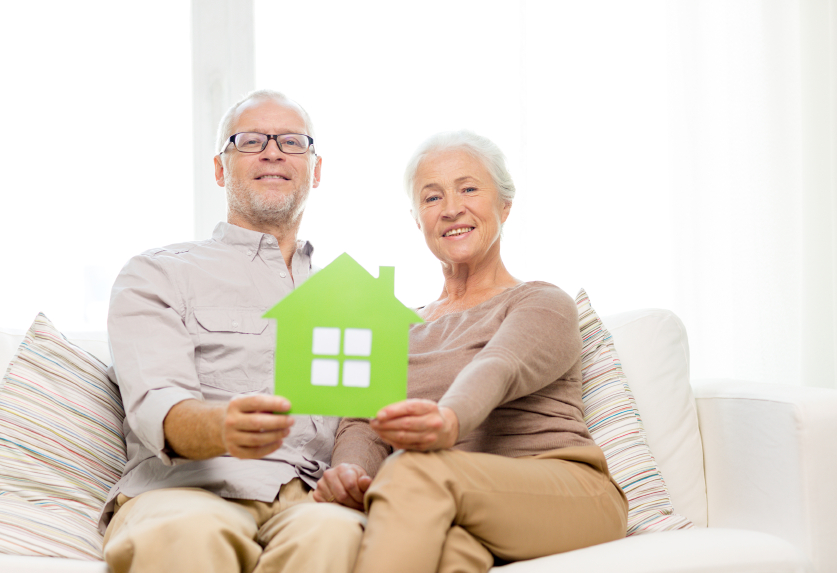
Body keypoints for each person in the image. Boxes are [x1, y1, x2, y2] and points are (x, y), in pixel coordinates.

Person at [313, 130, 628, 573]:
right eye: (432, 197)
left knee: (413, 469)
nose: (451, 208)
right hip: (454, 502)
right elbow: (364, 422)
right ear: (416, 219)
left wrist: (449, 419)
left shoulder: (540, 301)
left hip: (568, 490)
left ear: (505, 205)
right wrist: (349, 474)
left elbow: (499, 366)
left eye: (468, 188)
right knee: (448, 554)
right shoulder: (393, 327)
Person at [101, 89, 366, 573]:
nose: (272, 151)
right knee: (189, 534)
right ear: (221, 169)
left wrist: (354, 474)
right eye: (249, 141)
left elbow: (359, 420)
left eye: (291, 141)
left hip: (307, 502)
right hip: (185, 491)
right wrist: (223, 427)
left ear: (316, 169)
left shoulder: (352, 297)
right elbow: (158, 404)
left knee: (342, 535)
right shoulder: (157, 273)